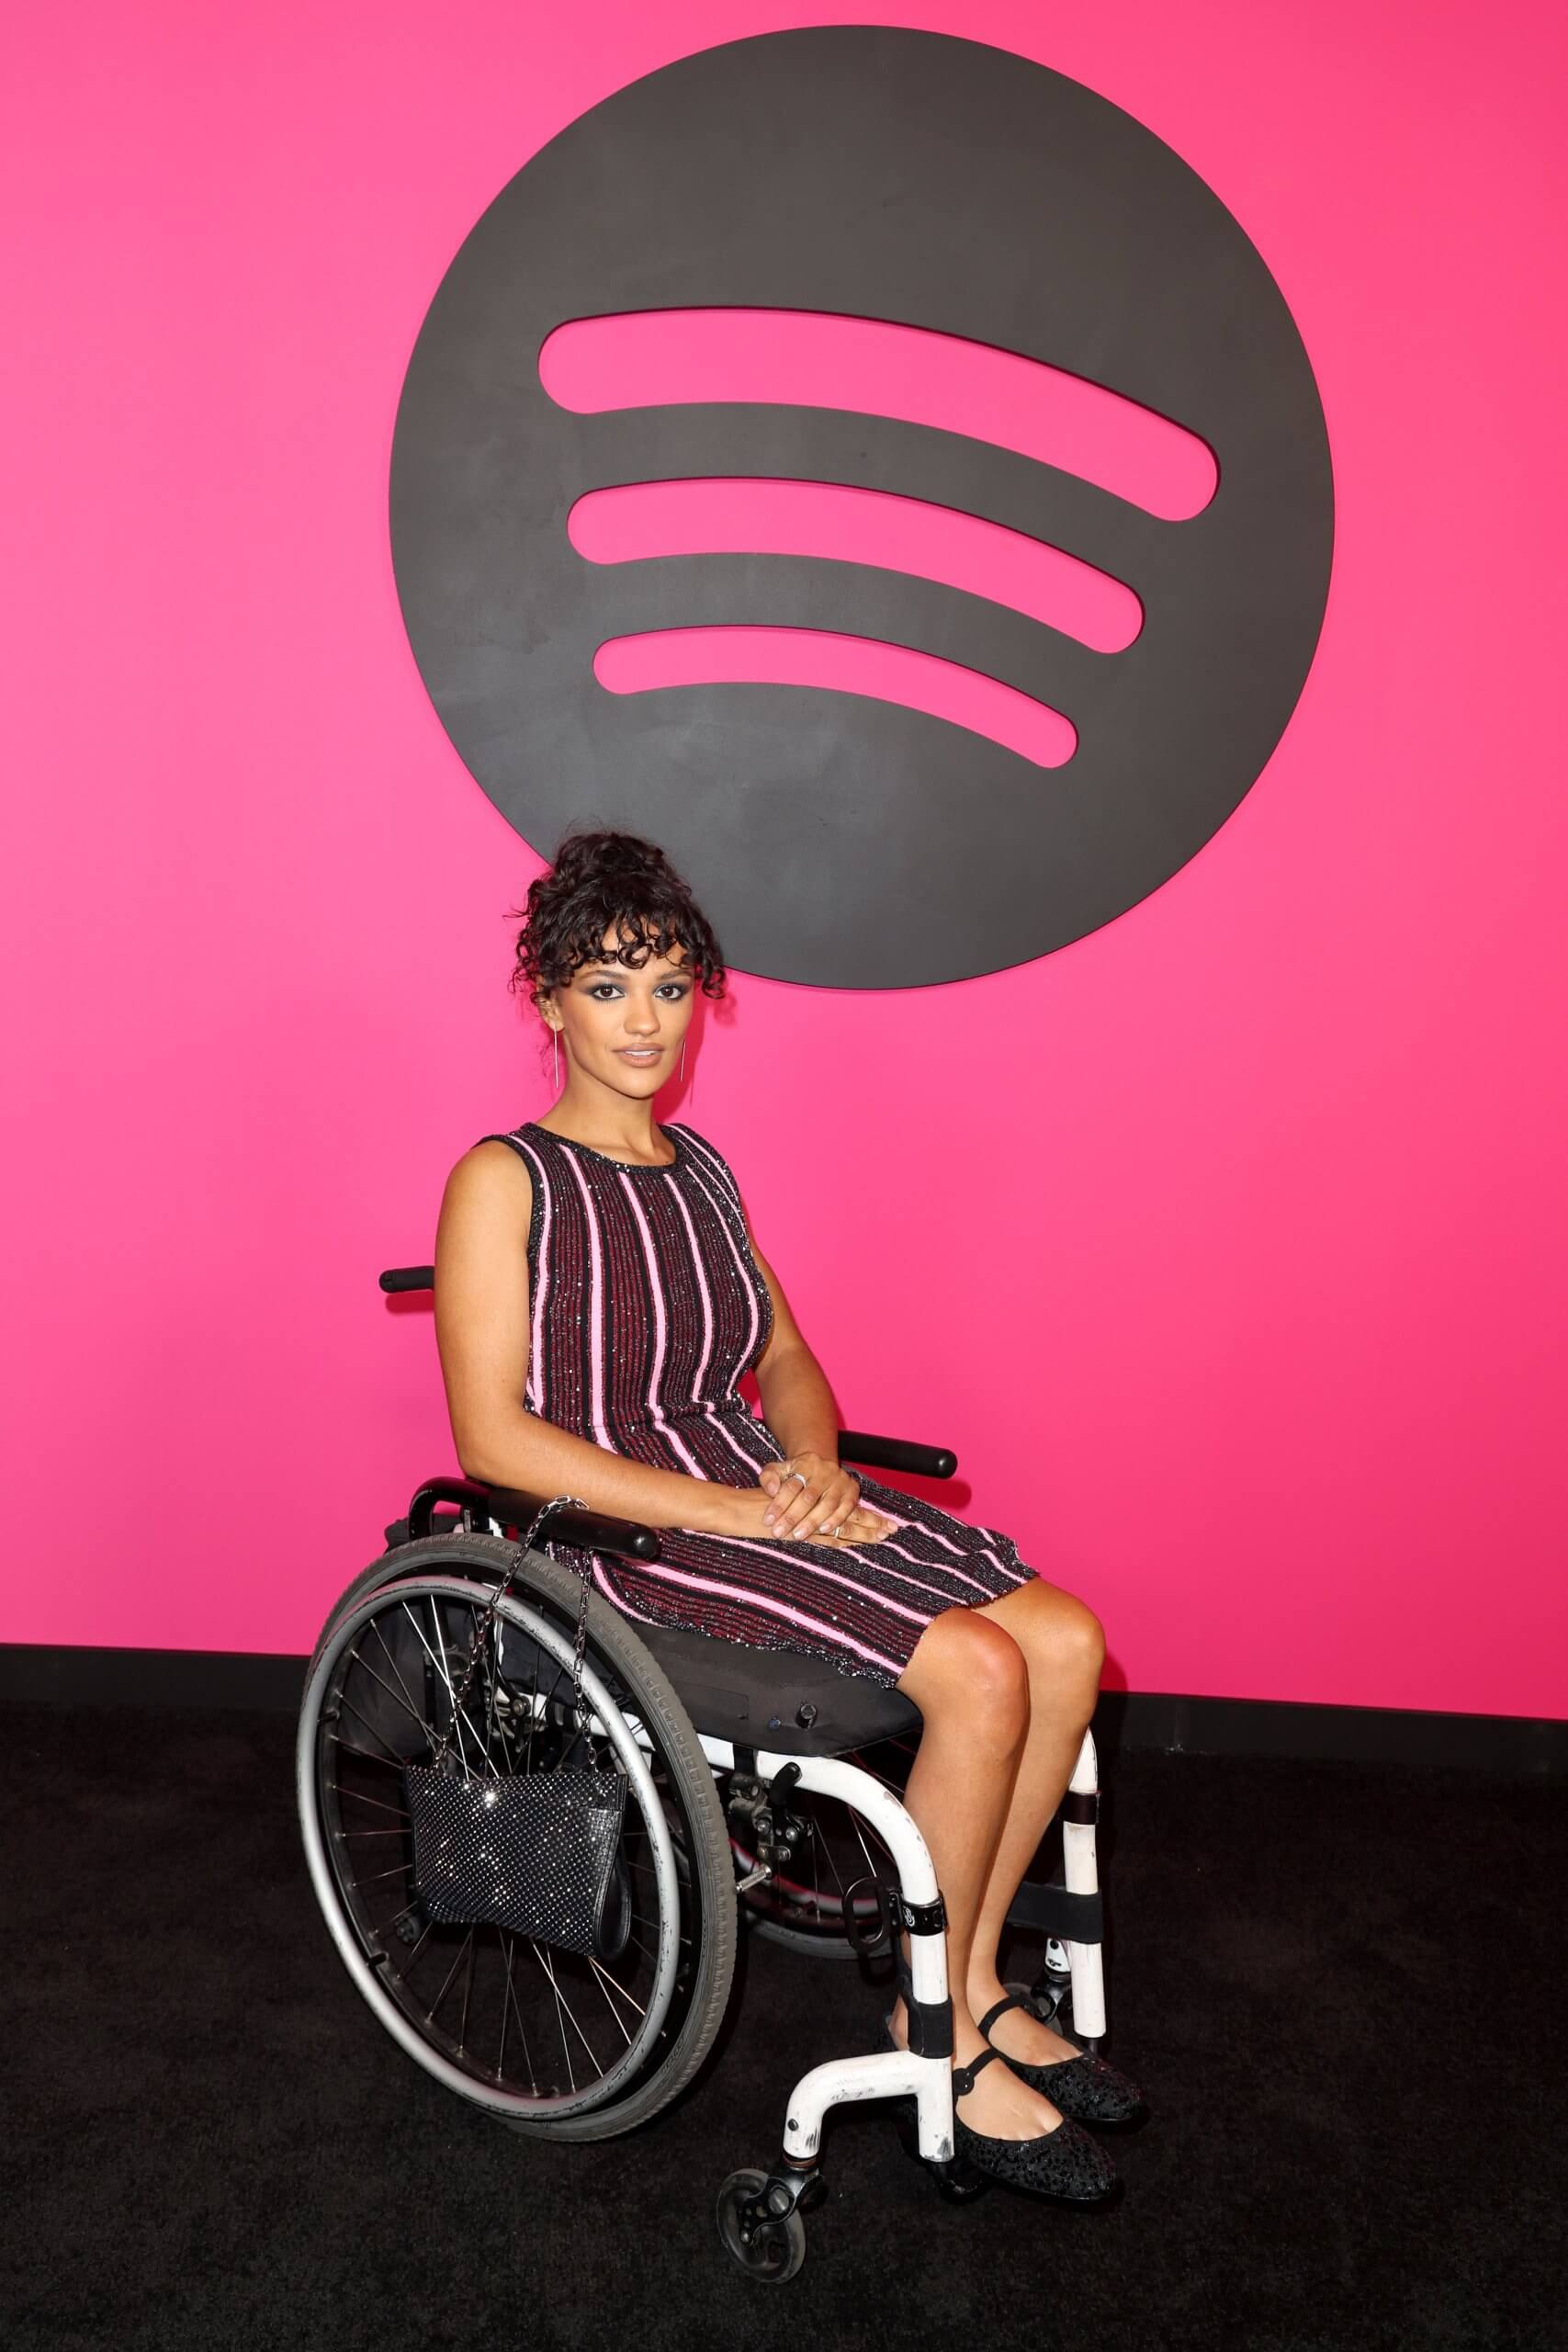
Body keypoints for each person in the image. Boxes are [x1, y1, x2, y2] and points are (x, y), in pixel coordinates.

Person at [433, 826, 1145, 2201]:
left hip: (751, 1493)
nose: (644, 1022)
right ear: (549, 1004)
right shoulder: (504, 1179)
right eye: (606, 987)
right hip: (619, 1532)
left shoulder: (703, 1173)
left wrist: (806, 1472)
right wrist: (742, 1513)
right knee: (981, 1667)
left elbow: (791, 1363)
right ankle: (938, 2034)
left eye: (669, 986)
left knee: (1065, 1639)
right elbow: (494, 1440)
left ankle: (971, 1987)